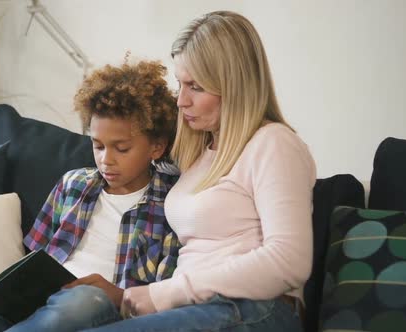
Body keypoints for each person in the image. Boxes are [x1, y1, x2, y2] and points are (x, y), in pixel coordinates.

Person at [0, 59, 181, 332]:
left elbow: (166, 295)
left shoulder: (173, 204)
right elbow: (32, 258)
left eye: (121, 148)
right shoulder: (73, 184)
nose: (106, 160)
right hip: (34, 309)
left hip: (94, 310)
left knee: (82, 299)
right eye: (98, 146)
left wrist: (118, 295)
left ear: (156, 147)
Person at [83, 10, 317, 332]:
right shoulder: (197, 154)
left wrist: (162, 294)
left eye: (195, 86)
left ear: (235, 86)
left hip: (255, 309)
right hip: (198, 309)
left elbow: (289, 261)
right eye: (180, 84)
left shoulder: (274, 144)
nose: (181, 101)